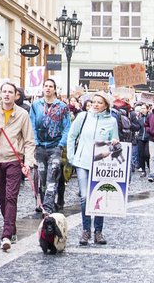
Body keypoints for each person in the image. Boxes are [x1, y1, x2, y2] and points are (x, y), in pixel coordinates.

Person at [0, 83, 36, 251]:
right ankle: (12, 227)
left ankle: (6, 235)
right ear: (0, 95)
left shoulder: (22, 115)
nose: (7, 95)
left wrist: (28, 163)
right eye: (4, 92)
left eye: (10, 92)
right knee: (2, 197)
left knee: (11, 197)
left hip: (14, 160)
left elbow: (29, 141)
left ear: (16, 95)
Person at [66, 93, 119, 245]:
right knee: (84, 196)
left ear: (106, 105)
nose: (95, 105)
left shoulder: (112, 121)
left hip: (101, 164)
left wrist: (115, 142)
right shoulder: (82, 117)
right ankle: (86, 230)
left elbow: (115, 144)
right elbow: (72, 136)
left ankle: (98, 231)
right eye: (94, 102)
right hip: (82, 162)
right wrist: (72, 156)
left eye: (99, 102)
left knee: (99, 196)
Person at [29, 78, 71, 215]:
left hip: (55, 147)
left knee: (52, 176)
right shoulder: (36, 105)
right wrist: (35, 142)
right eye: (45, 86)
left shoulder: (62, 107)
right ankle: (43, 203)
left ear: (54, 89)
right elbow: (32, 125)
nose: (48, 88)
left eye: (50, 86)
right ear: (42, 88)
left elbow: (66, 127)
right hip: (40, 146)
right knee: (42, 177)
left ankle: (47, 208)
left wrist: (61, 144)